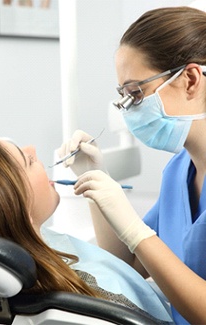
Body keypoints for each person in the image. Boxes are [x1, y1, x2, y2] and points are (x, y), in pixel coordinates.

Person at [57, 6, 206, 325]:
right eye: (123, 97)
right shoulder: (179, 171)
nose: (129, 110)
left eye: (136, 94)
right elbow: (127, 260)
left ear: (191, 79)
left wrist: (137, 231)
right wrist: (95, 177)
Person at [0, 131, 172, 323]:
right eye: (28, 161)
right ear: (19, 210)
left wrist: (95, 176)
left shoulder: (32, 245)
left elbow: (116, 268)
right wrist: (134, 231)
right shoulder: (90, 299)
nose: (32, 148)